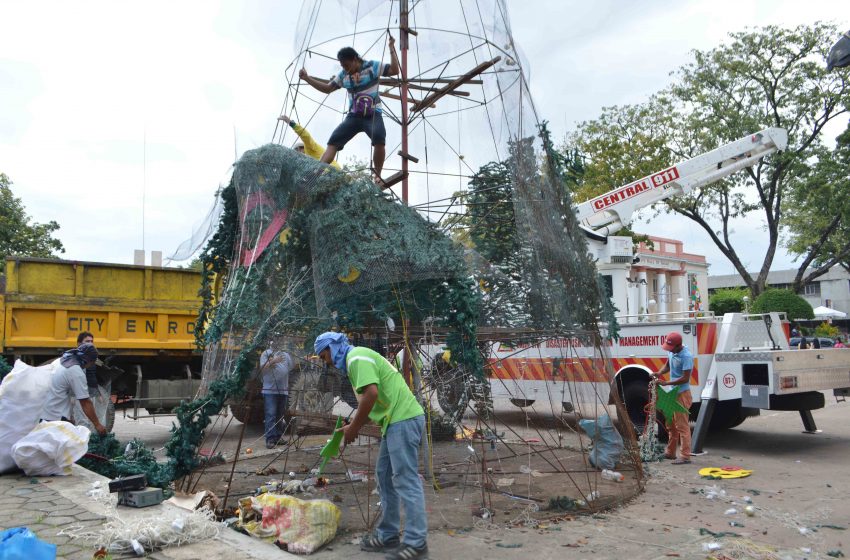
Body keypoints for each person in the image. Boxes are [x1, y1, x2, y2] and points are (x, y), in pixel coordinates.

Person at [315, 332, 428, 560]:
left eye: (323, 355)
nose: (324, 361)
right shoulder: (356, 359)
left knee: (405, 479)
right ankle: (388, 535)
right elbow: (372, 400)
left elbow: (371, 394)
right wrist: (351, 426)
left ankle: (417, 544)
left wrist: (354, 427)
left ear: (331, 347)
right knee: (384, 476)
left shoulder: (356, 358)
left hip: (403, 420)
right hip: (394, 422)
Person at [298, 36, 400, 185]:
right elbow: (327, 89)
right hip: (354, 116)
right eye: (343, 67)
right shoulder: (344, 76)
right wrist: (307, 79)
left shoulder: (372, 67)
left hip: (372, 114)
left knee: (379, 138)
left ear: (355, 59)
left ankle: (377, 175)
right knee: (333, 141)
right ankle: (317, 173)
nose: (345, 69)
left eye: (347, 65)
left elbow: (394, 70)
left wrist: (391, 49)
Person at [40, 342, 107, 435]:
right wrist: (97, 424)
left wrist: (69, 417)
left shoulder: (61, 360)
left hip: (42, 412)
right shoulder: (75, 371)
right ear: (89, 361)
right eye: (92, 363)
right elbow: (85, 402)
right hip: (54, 417)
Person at [651, 331, 693, 465]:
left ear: (678, 346)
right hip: (671, 393)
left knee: (682, 426)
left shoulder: (686, 356)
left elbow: (685, 378)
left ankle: (685, 456)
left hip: (681, 394)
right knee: (670, 423)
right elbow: (667, 365)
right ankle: (670, 452)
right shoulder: (672, 352)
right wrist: (659, 372)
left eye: (671, 348)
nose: (669, 351)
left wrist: (666, 383)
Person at [258, 342, 293, 449]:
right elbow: (262, 368)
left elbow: (291, 367)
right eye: (274, 339)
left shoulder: (286, 354)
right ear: (270, 342)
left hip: (283, 390)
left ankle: (278, 437)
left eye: (279, 338)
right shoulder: (266, 353)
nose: (276, 341)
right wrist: (274, 361)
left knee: (279, 416)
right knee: (271, 415)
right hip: (270, 391)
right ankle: (270, 439)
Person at [75, 331, 99, 398]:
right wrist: (72, 396)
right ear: (79, 343)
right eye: (87, 341)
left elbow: (92, 376)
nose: (90, 344)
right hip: (80, 395)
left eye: (91, 341)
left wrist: (98, 393)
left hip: (91, 393)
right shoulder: (75, 359)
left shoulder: (92, 357)